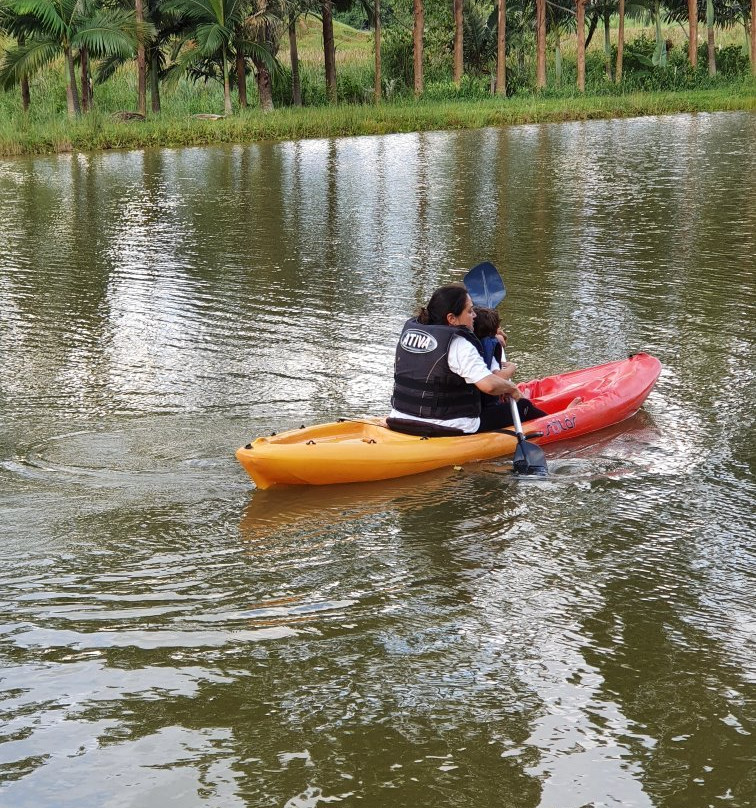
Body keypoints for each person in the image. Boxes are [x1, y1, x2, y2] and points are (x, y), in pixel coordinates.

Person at [388, 283, 547, 436]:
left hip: (400, 417)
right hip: (449, 425)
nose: (475, 315)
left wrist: (494, 340)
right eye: (470, 311)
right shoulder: (458, 343)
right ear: (452, 318)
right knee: (523, 406)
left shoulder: (410, 334)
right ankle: (555, 422)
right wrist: (511, 388)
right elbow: (490, 386)